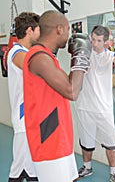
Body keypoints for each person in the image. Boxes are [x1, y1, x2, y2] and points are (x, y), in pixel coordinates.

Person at [23, 10, 92, 182]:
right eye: (68, 29)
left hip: (58, 138)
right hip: (49, 140)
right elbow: (72, 91)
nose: (68, 35)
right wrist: (81, 56)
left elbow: (70, 83)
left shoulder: (46, 57)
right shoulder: (39, 58)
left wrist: (78, 62)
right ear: (59, 29)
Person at [75, 25, 115, 182]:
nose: (94, 43)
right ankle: (87, 167)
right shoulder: (84, 54)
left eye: (98, 40)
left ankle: (114, 172)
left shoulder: (111, 56)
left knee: (111, 143)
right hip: (85, 106)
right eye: (92, 39)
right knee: (86, 142)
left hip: (104, 108)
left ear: (105, 42)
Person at [7, 12, 40, 182]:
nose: (40, 33)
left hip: (32, 117)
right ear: (29, 31)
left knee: (33, 169)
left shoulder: (29, 51)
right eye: (38, 30)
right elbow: (32, 64)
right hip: (23, 119)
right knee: (18, 170)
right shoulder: (16, 52)